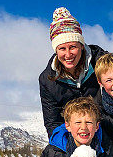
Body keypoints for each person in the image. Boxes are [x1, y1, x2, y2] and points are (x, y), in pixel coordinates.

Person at [39, 7, 107, 137]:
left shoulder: (102, 63)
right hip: (73, 136)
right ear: (56, 50)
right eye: (62, 49)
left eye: (73, 47)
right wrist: (69, 145)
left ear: (81, 45)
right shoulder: (47, 79)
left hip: (106, 130)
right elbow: (52, 122)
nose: (68, 54)